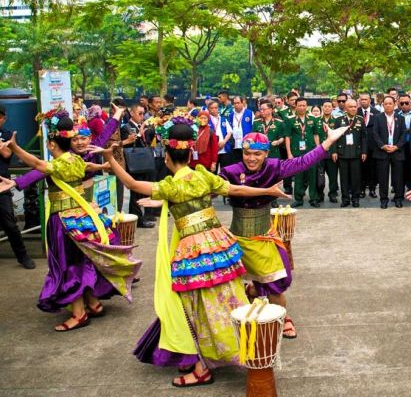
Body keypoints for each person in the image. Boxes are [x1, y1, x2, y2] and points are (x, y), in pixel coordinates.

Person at [101, 114, 288, 387]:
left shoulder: (171, 185)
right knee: (228, 299)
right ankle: (245, 345)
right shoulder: (202, 177)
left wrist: (111, 160)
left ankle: (203, 367)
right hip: (219, 243)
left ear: (167, 155)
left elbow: (131, 184)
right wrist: (268, 191)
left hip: (194, 251)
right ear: (189, 153)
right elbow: (236, 188)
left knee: (198, 308)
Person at [0, 112, 141, 330]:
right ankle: (93, 303)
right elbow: (88, 166)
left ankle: (79, 313)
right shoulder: (78, 160)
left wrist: (16, 149)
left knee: (68, 266)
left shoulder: (60, 163)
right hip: (83, 218)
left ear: (52, 144)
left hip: (64, 222)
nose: (82, 142)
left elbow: (38, 165)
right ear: (70, 141)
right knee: (83, 260)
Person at [219, 127, 348, 338]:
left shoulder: (273, 167)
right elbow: (211, 188)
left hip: (262, 237)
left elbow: (302, 162)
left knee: (275, 286)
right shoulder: (231, 171)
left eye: (257, 154)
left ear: (266, 154)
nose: (251, 158)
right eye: (247, 153)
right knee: (225, 286)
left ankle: (284, 317)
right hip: (236, 238)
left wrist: (328, 141)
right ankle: (248, 299)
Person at [0, 106, 35, 269]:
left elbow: (6, 154)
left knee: (10, 223)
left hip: (2, 184)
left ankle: (23, 256)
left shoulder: (7, 135)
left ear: (4, 119)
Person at [120, 105, 155, 228]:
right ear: (132, 113)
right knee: (136, 192)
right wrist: (139, 135)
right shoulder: (126, 128)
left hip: (142, 162)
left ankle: (140, 216)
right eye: (139, 114)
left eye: (143, 114)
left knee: (140, 192)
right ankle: (138, 218)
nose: (142, 116)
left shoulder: (140, 126)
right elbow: (124, 146)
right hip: (134, 162)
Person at [372, 96, 407, 208]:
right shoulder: (378, 118)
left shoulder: (400, 118)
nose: (388, 105)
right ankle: (383, 199)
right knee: (383, 177)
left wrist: (396, 146)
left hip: (397, 151)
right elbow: (375, 134)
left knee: (398, 177)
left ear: (394, 104)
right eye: (385, 104)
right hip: (382, 151)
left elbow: (403, 134)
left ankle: (398, 198)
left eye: (390, 103)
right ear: (383, 105)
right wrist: (382, 146)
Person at [285, 97, 320, 207]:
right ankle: (299, 199)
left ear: (307, 106)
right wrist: (289, 153)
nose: (302, 107)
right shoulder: (290, 120)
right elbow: (287, 137)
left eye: (304, 105)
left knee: (312, 175)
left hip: (311, 151)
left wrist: (319, 150)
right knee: (299, 176)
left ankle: (313, 198)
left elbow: (316, 135)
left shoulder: (312, 119)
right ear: (295, 106)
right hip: (297, 152)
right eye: (300, 105)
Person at [333, 99, 367, 208]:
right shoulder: (338, 120)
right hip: (342, 153)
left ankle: (355, 199)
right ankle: (345, 199)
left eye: (355, 107)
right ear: (346, 109)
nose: (353, 109)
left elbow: (364, 137)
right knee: (344, 178)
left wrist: (364, 151)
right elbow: (334, 138)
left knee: (356, 178)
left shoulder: (360, 120)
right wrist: (334, 151)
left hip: (356, 153)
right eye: (351, 107)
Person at [316, 101, 339, 203]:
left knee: (333, 176)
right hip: (320, 152)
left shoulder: (336, 121)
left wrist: (334, 151)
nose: (327, 108)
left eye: (329, 106)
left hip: (331, 153)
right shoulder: (316, 120)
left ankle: (332, 194)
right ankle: (320, 194)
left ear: (332, 108)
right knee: (319, 176)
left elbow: (337, 138)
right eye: (325, 106)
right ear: (322, 108)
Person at [358, 93, 380, 199]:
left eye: (365, 99)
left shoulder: (377, 113)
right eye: (361, 99)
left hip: (373, 146)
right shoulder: (356, 112)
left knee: (373, 168)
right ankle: (361, 189)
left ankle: (372, 189)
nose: (363, 101)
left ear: (370, 100)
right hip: (360, 146)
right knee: (361, 168)